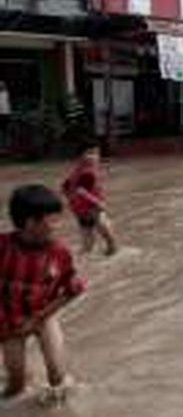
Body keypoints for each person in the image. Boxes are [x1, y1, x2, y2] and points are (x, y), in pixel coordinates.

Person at [1, 185, 86, 403]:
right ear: (30, 223)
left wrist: (38, 318)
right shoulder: (2, 247)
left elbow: (73, 289)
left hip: (44, 316)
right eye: (53, 220)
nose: (58, 226)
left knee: (58, 377)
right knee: (16, 385)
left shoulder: (59, 253)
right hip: (8, 321)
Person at [62, 140, 119, 256]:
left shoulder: (77, 170)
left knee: (87, 238)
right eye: (89, 153)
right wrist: (98, 202)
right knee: (104, 227)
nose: (93, 157)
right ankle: (113, 247)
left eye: (96, 153)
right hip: (91, 206)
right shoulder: (88, 172)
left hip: (78, 208)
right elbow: (80, 190)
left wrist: (70, 200)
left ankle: (82, 257)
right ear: (80, 156)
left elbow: (65, 186)